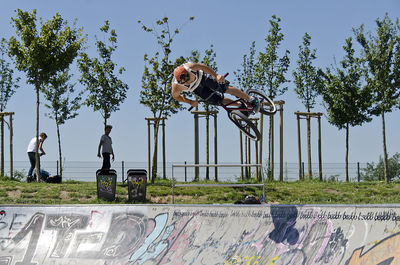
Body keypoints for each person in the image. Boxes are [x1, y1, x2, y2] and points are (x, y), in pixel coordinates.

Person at [171, 62, 260, 112]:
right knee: (218, 100)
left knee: (224, 88)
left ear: (188, 72)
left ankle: (250, 98)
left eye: (188, 79)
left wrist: (216, 75)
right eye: (185, 82)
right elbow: (176, 96)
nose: (187, 82)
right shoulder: (176, 86)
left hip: (203, 78)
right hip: (196, 89)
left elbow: (204, 67)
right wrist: (190, 101)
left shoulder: (191, 67)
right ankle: (240, 105)